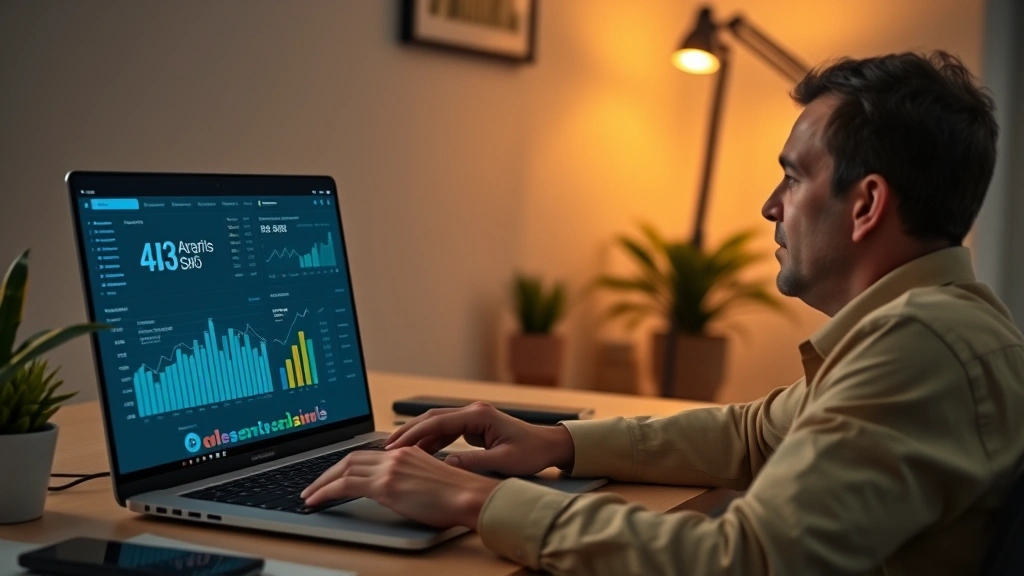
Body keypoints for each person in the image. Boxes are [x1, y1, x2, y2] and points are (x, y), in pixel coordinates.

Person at [301, 51, 1024, 575]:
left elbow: (745, 560)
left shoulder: (916, 345)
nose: (770, 206)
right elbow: (750, 434)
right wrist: (558, 445)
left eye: (793, 177)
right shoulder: (932, 324)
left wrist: (477, 502)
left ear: (865, 205)